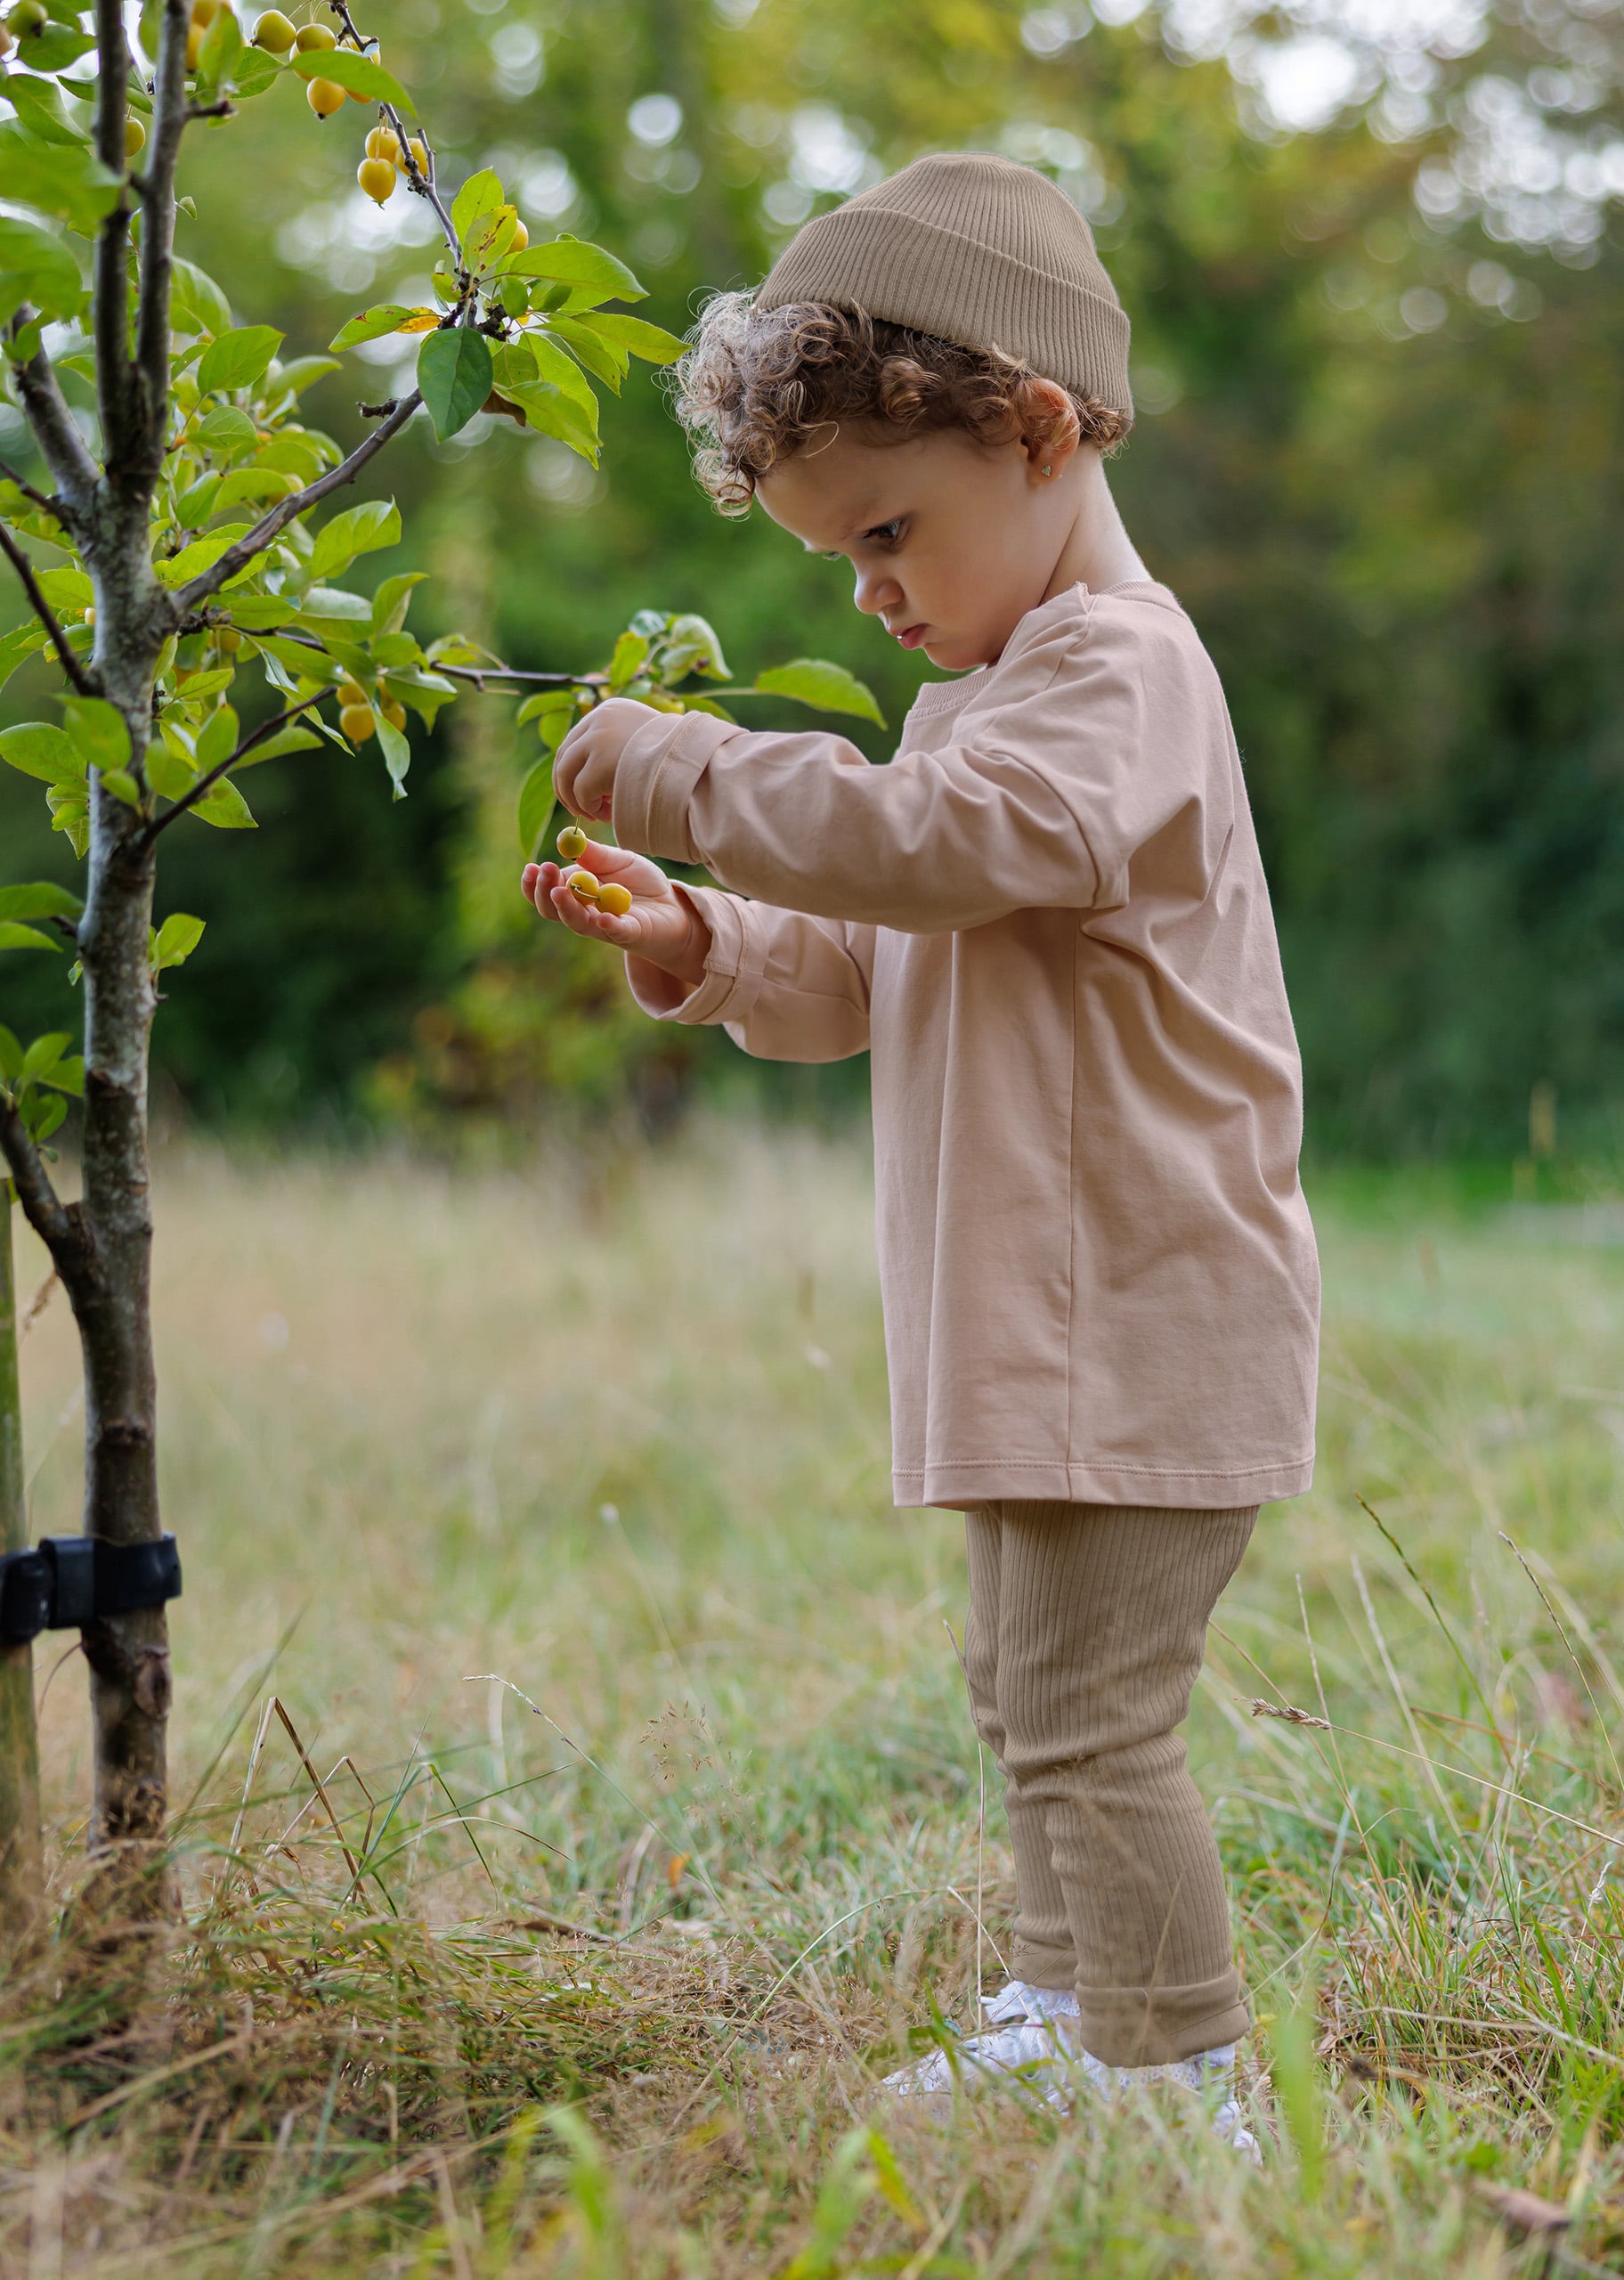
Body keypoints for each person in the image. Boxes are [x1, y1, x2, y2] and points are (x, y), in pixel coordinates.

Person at [521, 153, 1320, 2139]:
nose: (870, 593)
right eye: (837, 562)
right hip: (1038, 1328)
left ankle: (1180, 2068)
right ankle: (1068, 2004)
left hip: (1138, 1308)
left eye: (889, 531)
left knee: (1086, 1715)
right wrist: (709, 941)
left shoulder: (1115, 676)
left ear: (1039, 430)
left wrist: (700, 771)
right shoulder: (987, 706)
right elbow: (883, 950)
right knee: (1028, 1690)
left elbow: (955, 851)